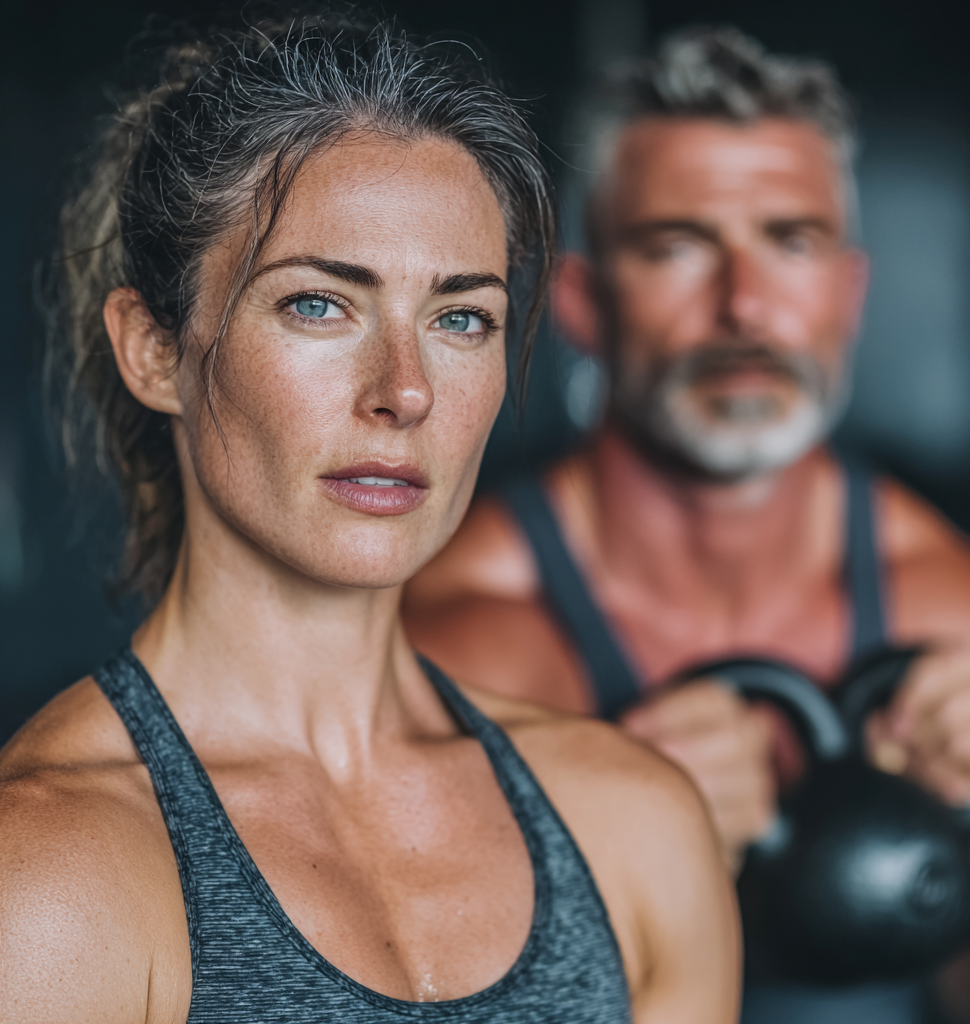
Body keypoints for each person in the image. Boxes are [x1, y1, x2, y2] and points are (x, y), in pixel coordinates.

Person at [0, 13, 739, 1023]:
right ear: (155, 351)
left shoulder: (634, 826)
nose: (405, 390)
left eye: (460, 318)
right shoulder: (49, 880)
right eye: (318, 304)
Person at [403, 26, 970, 1021]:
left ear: (849, 294)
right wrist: (606, 855)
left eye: (791, 241)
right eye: (678, 246)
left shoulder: (966, 613)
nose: (745, 305)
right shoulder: (465, 645)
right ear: (583, 303)